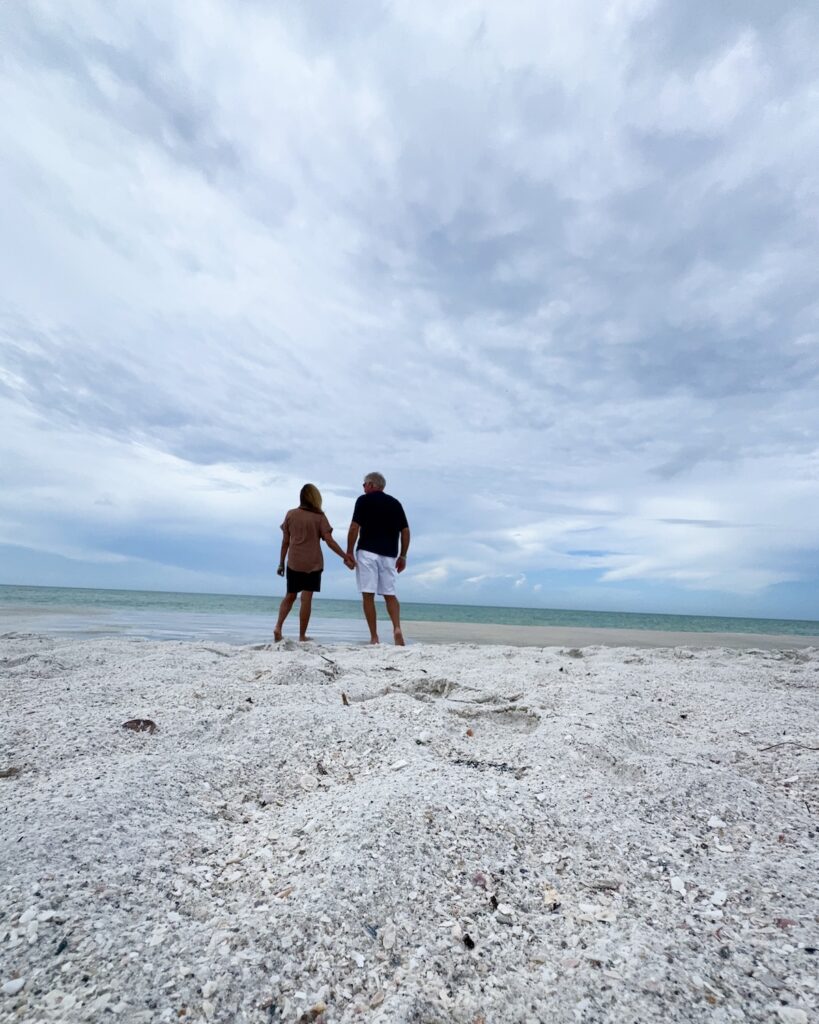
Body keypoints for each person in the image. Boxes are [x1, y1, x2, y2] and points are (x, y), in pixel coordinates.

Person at [274, 483, 354, 642]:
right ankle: (302, 636)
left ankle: (278, 627)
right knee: (306, 598)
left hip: (294, 562)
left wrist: (281, 563)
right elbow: (329, 541)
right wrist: (344, 556)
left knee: (290, 596)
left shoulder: (290, 514)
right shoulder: (319, 517)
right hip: (313, 564)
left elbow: (285, 542)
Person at [347, 471, 410, 645]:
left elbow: (354, 527)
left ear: (372, 485)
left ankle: (374, 637)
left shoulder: (363, 500)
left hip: (367, 551)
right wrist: (403, 555)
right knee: (390, 594)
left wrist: (349, 551)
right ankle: (396, 628)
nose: (363, 487)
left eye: (364, 484)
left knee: (368, 595)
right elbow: (405, 531)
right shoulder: (395, 503)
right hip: (389, 555)